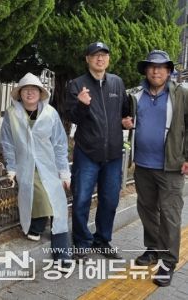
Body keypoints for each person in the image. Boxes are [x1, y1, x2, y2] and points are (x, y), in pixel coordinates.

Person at [66, 41, 132, 259]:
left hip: (113, 154)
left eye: (103, 55)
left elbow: (124, 112)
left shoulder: (117, 83)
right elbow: (73, 117)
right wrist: (82, 104)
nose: (100, 58)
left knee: (110, 199)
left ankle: (102, 240)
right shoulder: (77, 84)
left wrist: (126, 122)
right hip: (87, 152)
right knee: (82, 199)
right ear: (87, 59)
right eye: (95, 55)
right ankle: (81, 242)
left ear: (108, 59)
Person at [0, 73, 72, 270]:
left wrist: (64, 171)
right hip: (25, 167)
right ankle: (37, 226)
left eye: (34, 89)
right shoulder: (12, 115)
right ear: (20, 93)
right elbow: (7, 143)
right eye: (26, 89)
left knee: (58, 207)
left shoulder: (50, 113)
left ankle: (61, 253)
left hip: (48, 166)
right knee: (44, 196)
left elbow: (59, 144)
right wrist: (11, 168)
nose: (30, 93)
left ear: (41, 93)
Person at [129, 50, 188, 287]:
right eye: (152, 67)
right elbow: (130, 121)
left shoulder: (181, 94)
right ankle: (153, 248)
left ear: (169, 71)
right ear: (146, 70)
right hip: (143, 165)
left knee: (170, 215)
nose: (156, 71)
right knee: (147, 210)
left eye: (161, 67)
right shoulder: (136, 95)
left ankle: (168, 261)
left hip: (171, 167)